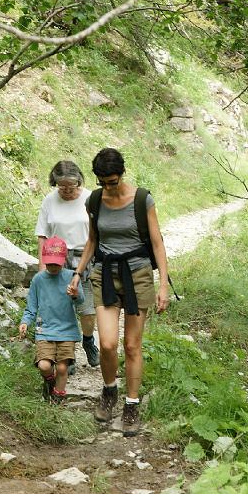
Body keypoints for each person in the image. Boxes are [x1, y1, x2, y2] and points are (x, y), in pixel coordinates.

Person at [69, 148, 169, 436]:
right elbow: (92, 240)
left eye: (112, 181)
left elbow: (157, 242)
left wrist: (162, 284)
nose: (108, 187)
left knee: (132, 346)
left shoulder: (141, 199)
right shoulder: (95, 200)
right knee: (109, 344)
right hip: (104, 273)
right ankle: (110, 390)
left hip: (137, 275)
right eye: (102, 182)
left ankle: (131, 406)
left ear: (121, 174)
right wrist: (78, 274)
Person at [35, 161, 99, 371]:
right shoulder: (49, 201)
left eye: (71, 186)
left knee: (87, 309)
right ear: (55, 183)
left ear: (79, 181)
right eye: (62, 187)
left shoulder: (90, 198)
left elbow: (96, 233)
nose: (67, 191)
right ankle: (66, 356)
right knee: (62, 309)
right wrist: (41, 268)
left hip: (85, 255)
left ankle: (88, 340)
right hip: (57, 258)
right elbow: (43, 236)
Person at [19, 236, 84, 404]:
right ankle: (49, 381)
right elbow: (31, 307)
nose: (53, 267)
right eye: (50, 263)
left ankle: (57, 398)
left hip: (67, 330)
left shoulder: (71, 276)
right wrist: (25, 321)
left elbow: (81, 301)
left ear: (63, 260)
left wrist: (75, 294)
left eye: (56, 263)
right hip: (45, 330)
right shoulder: (38, 280)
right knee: (44, 366)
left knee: (62, 367)